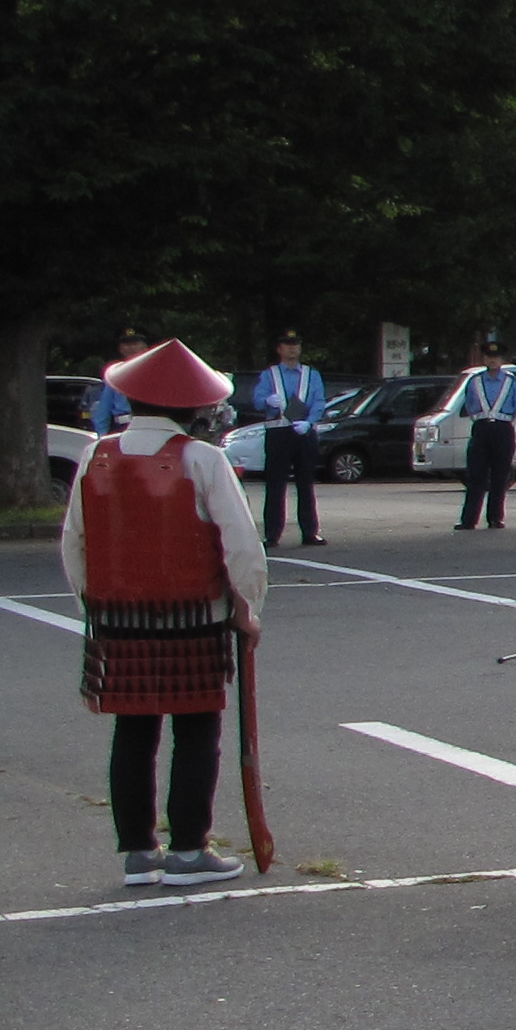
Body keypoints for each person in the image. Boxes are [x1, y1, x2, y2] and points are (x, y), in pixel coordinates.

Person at [65, 338, 267, 889]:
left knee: (133, 731)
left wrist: (95, 601)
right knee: (197, 730)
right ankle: (187, 849)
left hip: (119, 620)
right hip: (193, 615)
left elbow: (75, 542)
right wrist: (248, 609)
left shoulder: (95, 454)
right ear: (193, 408)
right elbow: (242, 546)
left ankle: (137, 851)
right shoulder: (203, 459)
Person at [244, 334, 329, 549]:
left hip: (303, 432)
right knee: (275, 484)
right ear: (279, 349)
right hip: (278, 431)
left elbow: (318, 401)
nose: (293, 349)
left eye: (296, 345)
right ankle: (272, 534)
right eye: (288, 345)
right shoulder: (269, 375)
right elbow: (257, 400)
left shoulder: (311, 374)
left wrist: (309, 423)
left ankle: (310, 531)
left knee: (306, 483)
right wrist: (267, 401)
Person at [454, 337, 516, 532]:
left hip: (503, 429)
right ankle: (468, 520)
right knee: (476, 476)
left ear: (501, 359)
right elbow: (471, 405)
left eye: (496, 357)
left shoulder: (511, 382)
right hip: (481, 428)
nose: (492, 361)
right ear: (484, 359)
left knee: (500, 476)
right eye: (489, 357)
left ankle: (496, 518)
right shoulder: (475, 381)